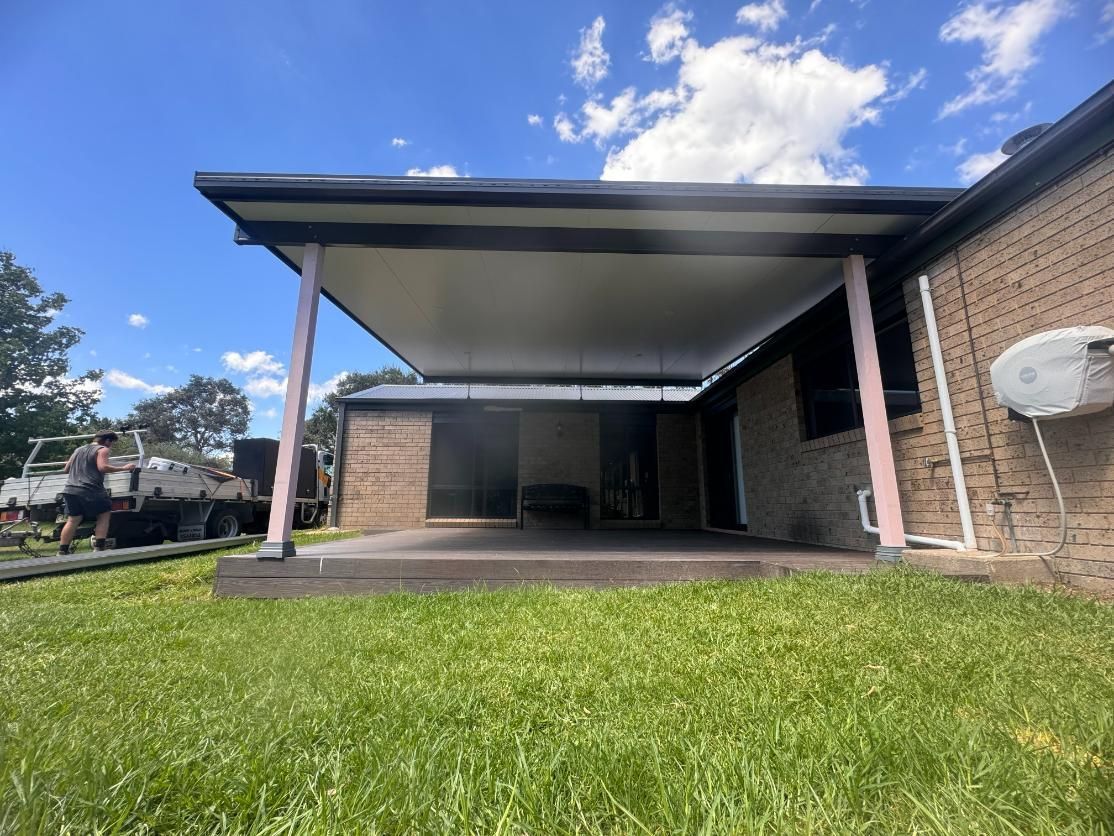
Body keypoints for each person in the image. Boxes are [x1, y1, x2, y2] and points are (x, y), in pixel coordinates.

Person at [57, 430, 136, 555]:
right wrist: (124, 468)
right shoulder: (102, 450)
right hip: (90, 489)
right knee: (104, 514)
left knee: (73, 520)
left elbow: (66, 469)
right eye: (111, 443)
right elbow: (102, 467)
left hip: (70, 489)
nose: (110, 446)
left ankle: (62, 550)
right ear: (107, 440)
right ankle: (99, 548)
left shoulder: (78, 450)